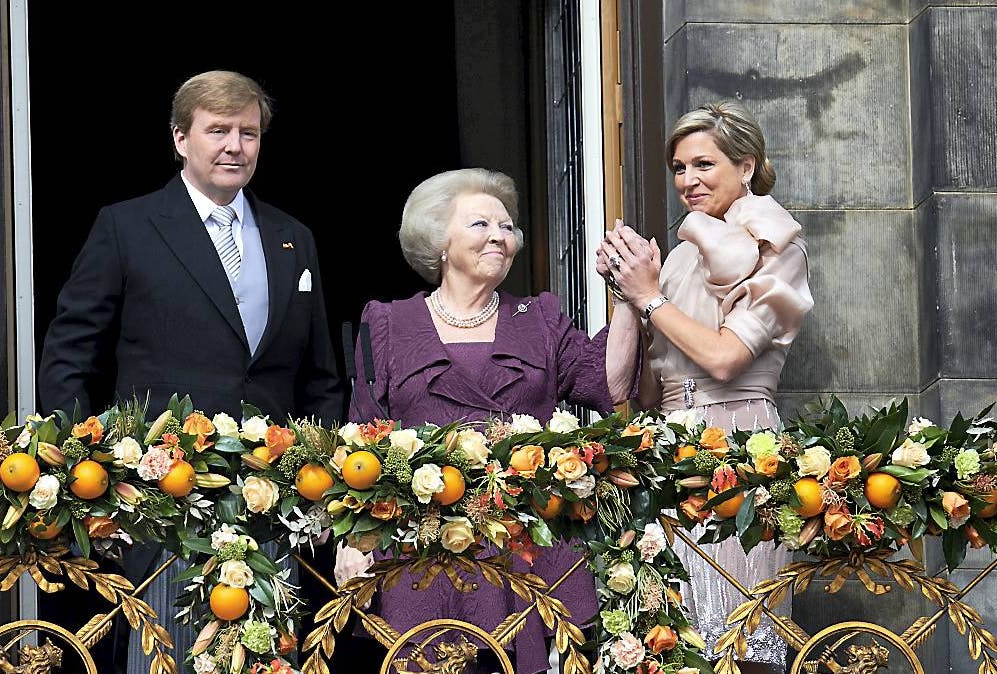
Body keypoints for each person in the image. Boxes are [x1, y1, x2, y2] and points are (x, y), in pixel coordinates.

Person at [37, 70, 343, 673]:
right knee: (165, 656)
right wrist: (87, 469)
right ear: (181, 139)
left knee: (269, 655)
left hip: (271, 494)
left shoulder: (292, 237)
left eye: (248, 133)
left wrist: (320, 474)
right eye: (218, 130)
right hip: (162, 494)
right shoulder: (126, 226)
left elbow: (319, 375)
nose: (235, 146)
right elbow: (71, 354)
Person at [338, 168, 641, 674]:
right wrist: (354, 537)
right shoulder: (389, 322)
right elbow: (362, 435)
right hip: (425, 549)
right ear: (438, 240)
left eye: (507, 227)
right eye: (481, 224)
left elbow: (605, 385)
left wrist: (631, 299)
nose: (500, 236)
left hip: (527, 546)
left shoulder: (539, 316)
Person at [597, 101, 813, 674]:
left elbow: (724, 359)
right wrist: (626, 295)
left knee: (740, 641)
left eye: (703, 165)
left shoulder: (776, 245)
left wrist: (650, 299)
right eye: (678, 167)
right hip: (666, 448)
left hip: (739, 444)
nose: (686, 181)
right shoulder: (678, 260)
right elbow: (628, 390)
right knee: (669, 641)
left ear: (746, 166)